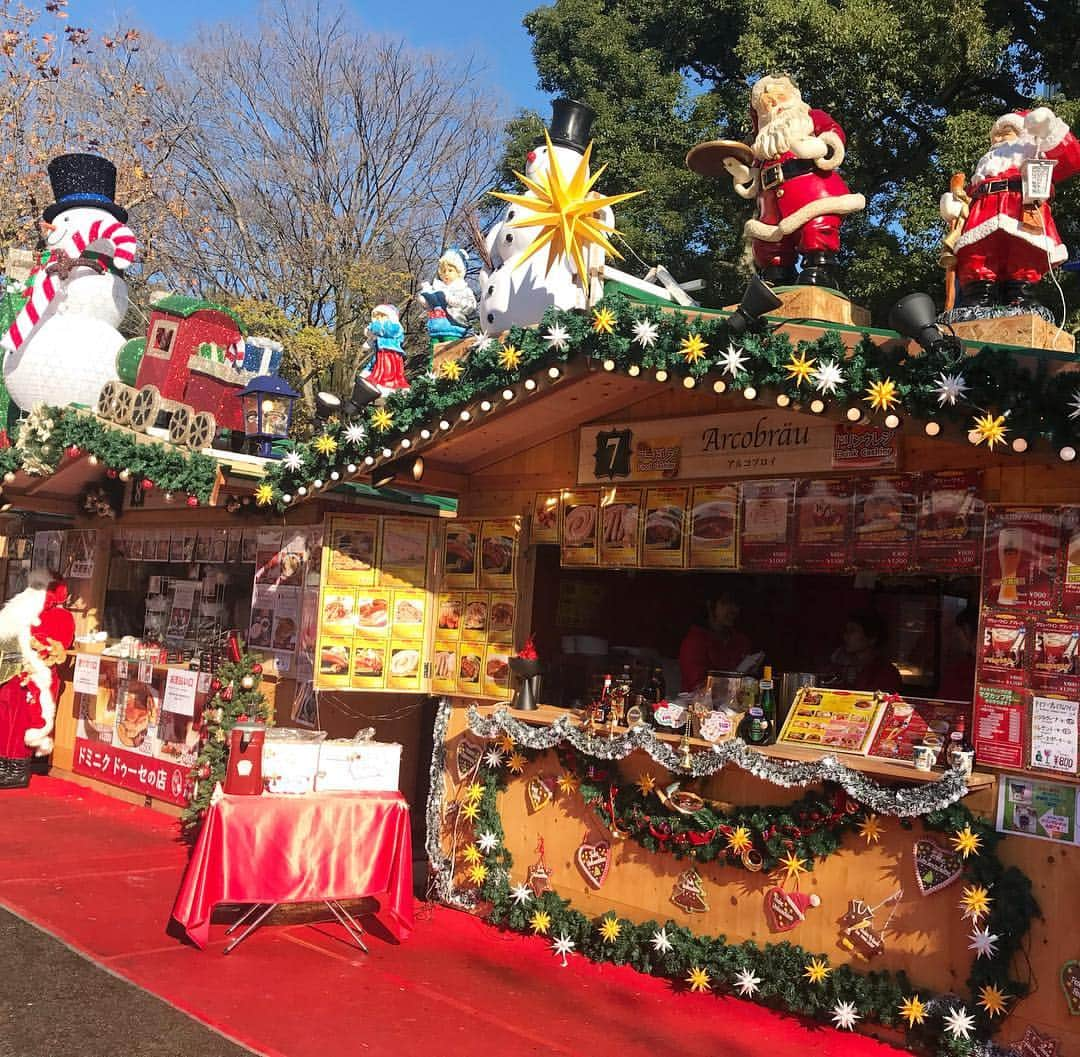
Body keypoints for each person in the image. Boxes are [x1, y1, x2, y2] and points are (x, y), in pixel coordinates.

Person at [718, 74, 865, 287]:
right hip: (770, 202)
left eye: (779, 98)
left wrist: (821, 146)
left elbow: (833, 134)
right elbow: (753, 174)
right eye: (766, 105)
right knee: (769, 240)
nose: (774, 107)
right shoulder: (762, 146)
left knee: (815, 227)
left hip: (810, 191)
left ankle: (819, 267)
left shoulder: (810, 118)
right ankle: (777, 272)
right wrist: (742, 174)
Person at [940, 106, 1080, 310]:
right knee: (975, 252)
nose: (998, 138)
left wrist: (1046, 128)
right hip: (981, 211)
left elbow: (1071, 158)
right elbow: (970, 191)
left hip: (1020, 208)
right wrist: (957, 204)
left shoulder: (1033, 149)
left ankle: (1019, 296)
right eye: (995, 135)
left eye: (1006, 132)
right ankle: (979, 297)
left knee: (1023, 251)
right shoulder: (986, 163)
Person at [678, 591, 754, 692]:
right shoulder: (695, 641)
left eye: (736, 605)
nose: (733, 610)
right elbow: (698, 688)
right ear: (710, 605)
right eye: (725, 603)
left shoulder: (741, 641)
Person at [828, 610, 903, 694]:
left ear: (871, 638)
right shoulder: (840, 665)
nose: (846, 636)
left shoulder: (887, 673)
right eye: (846, 631)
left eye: (852, 631)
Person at [361, 303, 410, 394]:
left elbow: (388, 331)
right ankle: (372, 379)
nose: (379, 318)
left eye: (382, 315)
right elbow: (371, 339)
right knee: (374, 366)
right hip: (379, 353)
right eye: (377, 316)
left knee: (389, 369)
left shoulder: (394, 326)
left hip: (391, 353)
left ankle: (387, 385)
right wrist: (369, 338)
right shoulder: (377, 331)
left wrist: (374, 329)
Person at [938, 606, 978, 702]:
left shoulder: (959, 671)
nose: (954, 638)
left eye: (955, 633)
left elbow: (942, 707)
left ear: (966, 630)